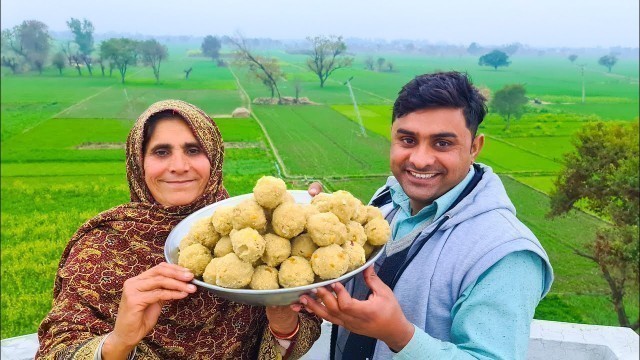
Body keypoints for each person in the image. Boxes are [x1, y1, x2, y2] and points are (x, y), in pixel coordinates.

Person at [36, 100, 321, 359]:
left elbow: (300, 330)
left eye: (193, 150)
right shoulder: (103, 246)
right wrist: (119, 341)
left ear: (214, 158)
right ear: (139, 162)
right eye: (161, 152)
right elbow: (57, 348)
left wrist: (284, 320)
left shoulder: (255, 229)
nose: (179, 166)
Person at [298, 72, 554, 359]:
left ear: (474, 147)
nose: (420, 159)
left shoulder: (505, 253)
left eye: (442, 143)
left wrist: (400, 336)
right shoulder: (385, 201)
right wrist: (312, 230)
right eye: (407, 140)